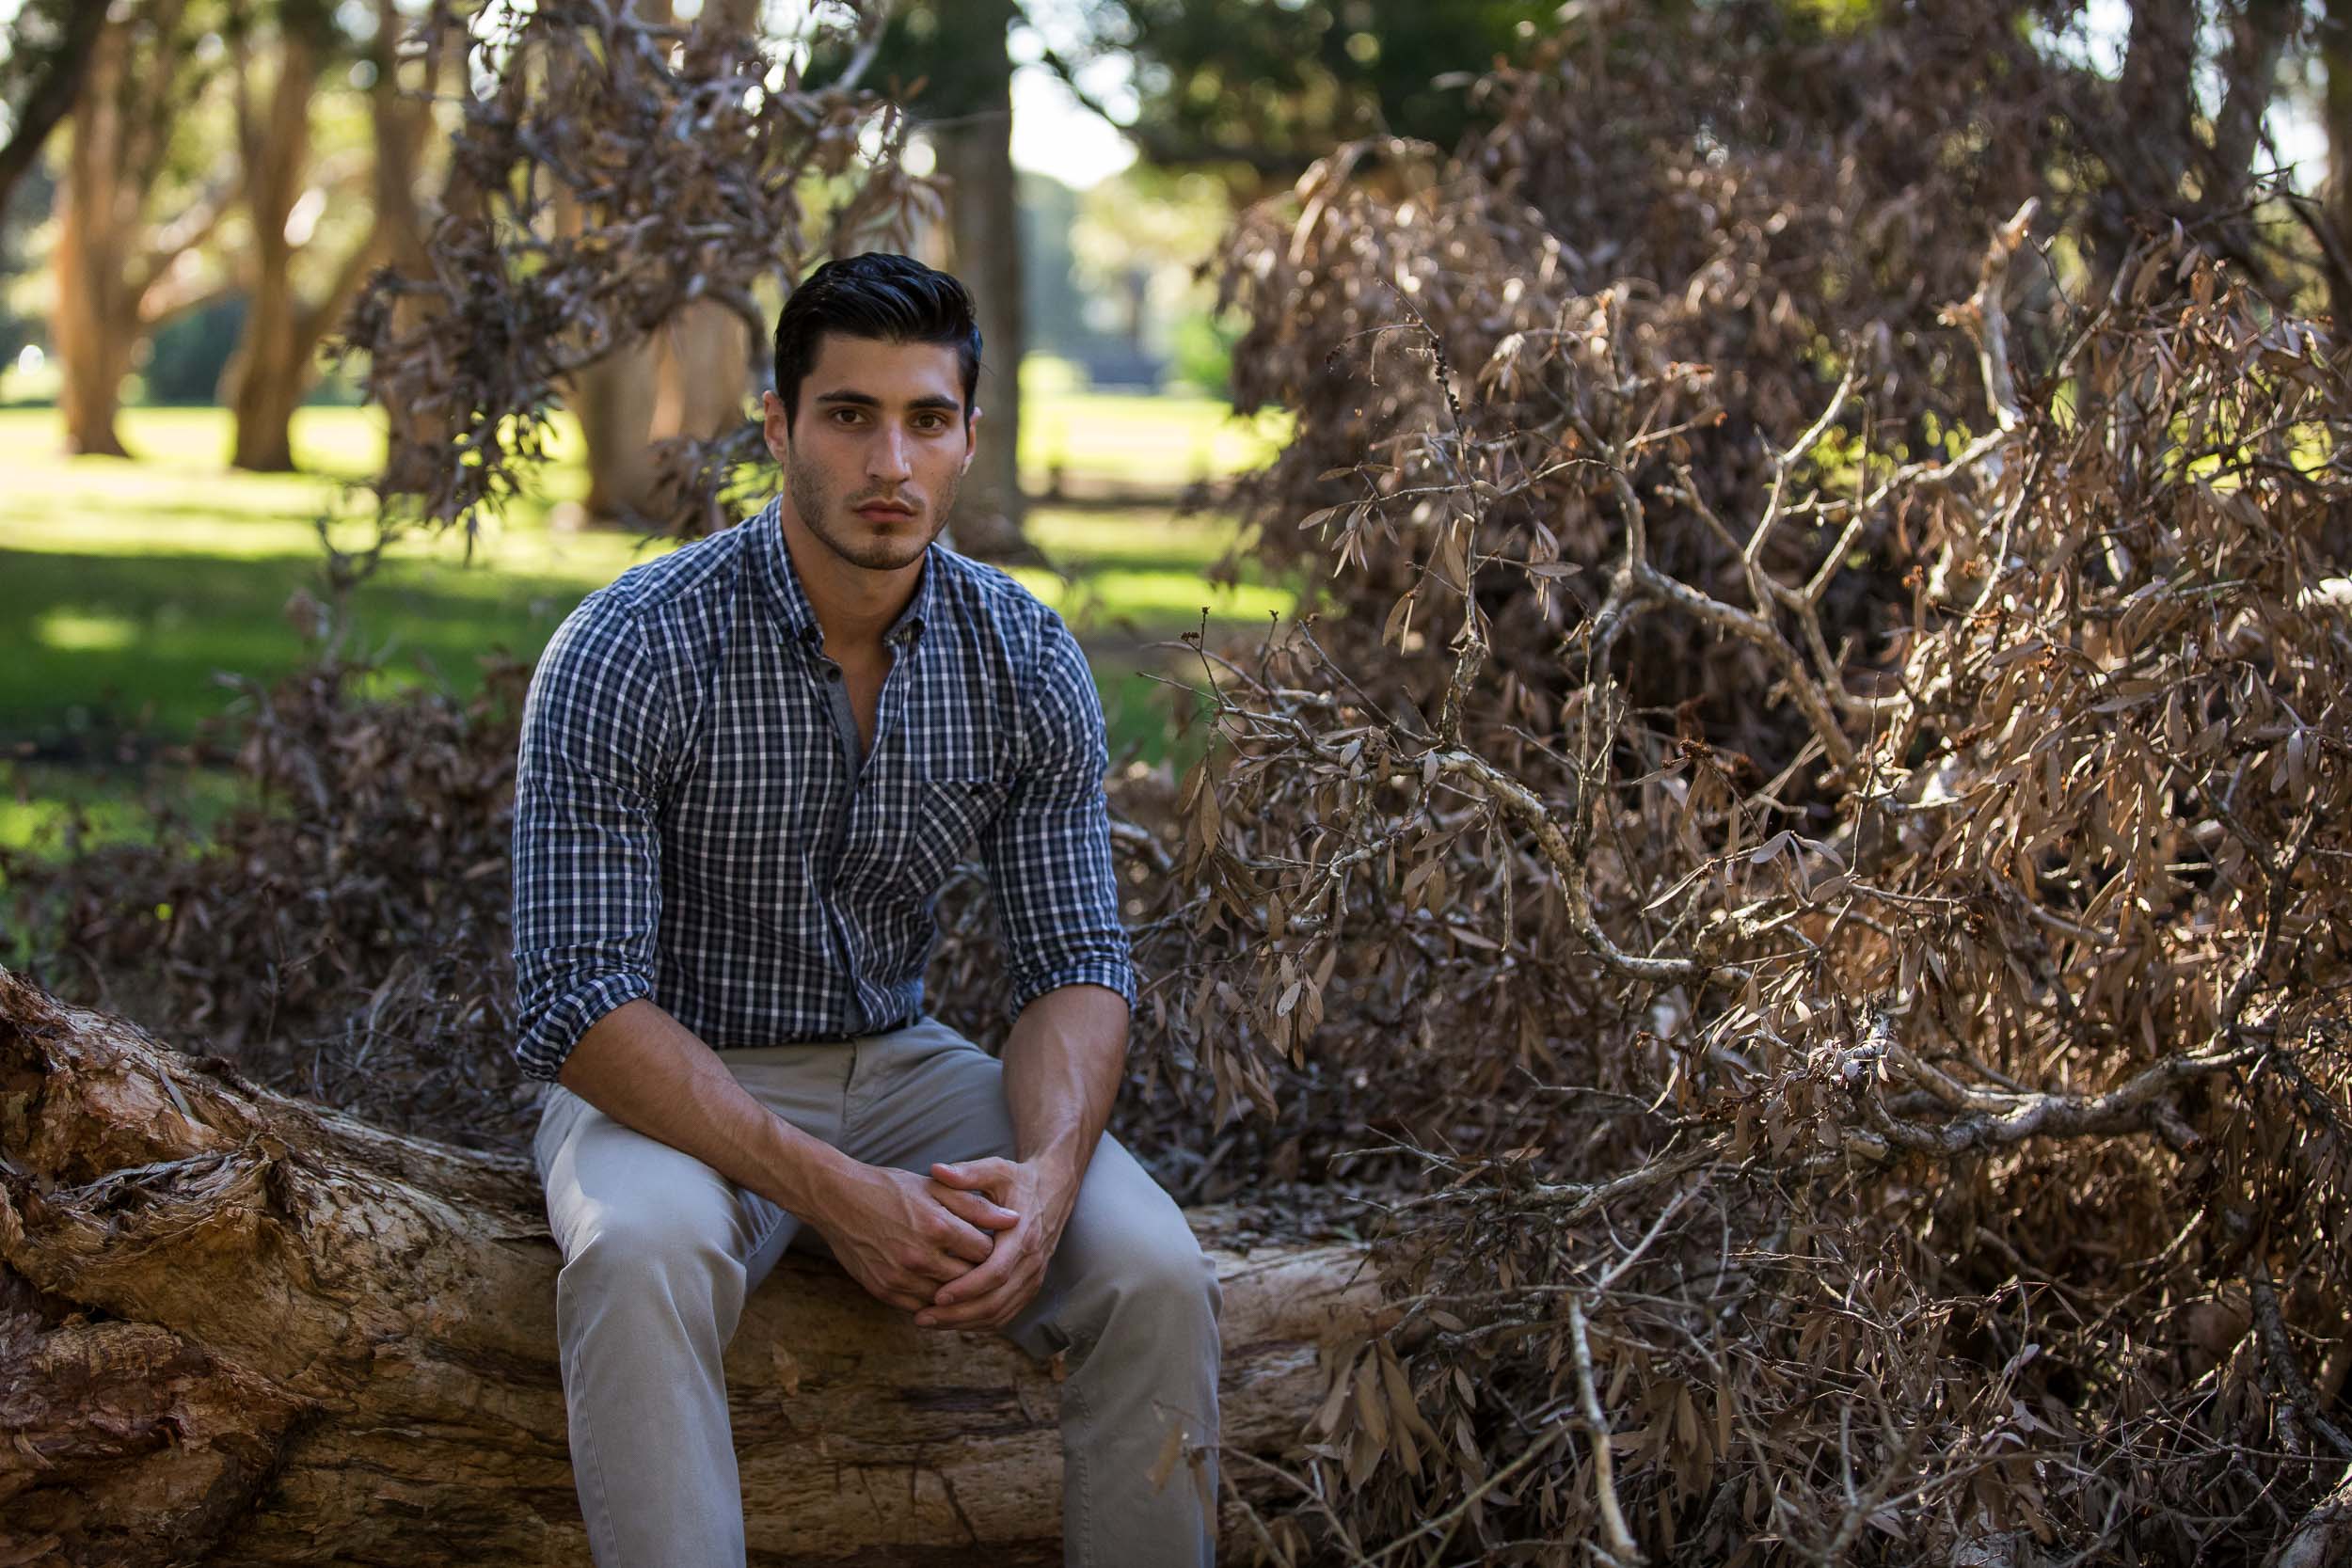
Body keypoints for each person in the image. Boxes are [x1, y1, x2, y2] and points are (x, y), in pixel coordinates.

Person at [511, 251, 1221, 1568]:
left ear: (968, 441)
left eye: (926, 420)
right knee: (639, 1252)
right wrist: (841, 1197)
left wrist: (1049, 1185)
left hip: (901, 1066)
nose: (890, 462)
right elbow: (577, 1002)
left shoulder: (1023, 656)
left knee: (1156, 1272)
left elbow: (1075, 960)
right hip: (671, 1072)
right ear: (778, 428)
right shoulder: (631, 647)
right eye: (849, 415)